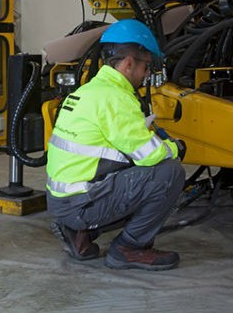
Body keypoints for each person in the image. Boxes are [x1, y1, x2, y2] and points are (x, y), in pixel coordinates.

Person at [45, 19, 186, 271]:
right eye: (146, 67)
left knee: (136, 175)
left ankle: (79, 233)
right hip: (80, 204)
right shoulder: (116, 98)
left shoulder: (90, 91)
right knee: (169, 172)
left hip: (61, 201)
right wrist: (177, 147)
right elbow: (151, 156)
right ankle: (130, 248)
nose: (146, 75)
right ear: (129, 63)